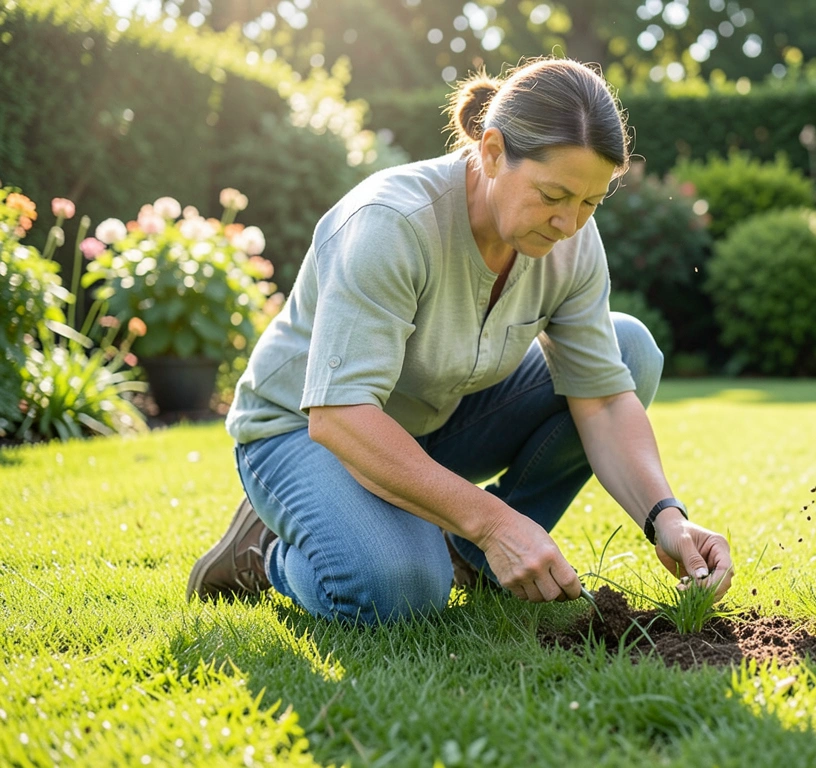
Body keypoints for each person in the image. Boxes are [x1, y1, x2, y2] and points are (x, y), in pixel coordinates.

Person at [186, 58, 733, 623]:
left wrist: (666, 518)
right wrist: (493, 522)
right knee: (401, 591)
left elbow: (603, 399)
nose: (569, 224)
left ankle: (472, 559)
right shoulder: (392, 223)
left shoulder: (571, 239)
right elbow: (340, 415)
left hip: (430, 422)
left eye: (590, 203)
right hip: (306, 429)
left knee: (629, 349)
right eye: (553, 195)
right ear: (492, 152)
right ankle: (263, 551)